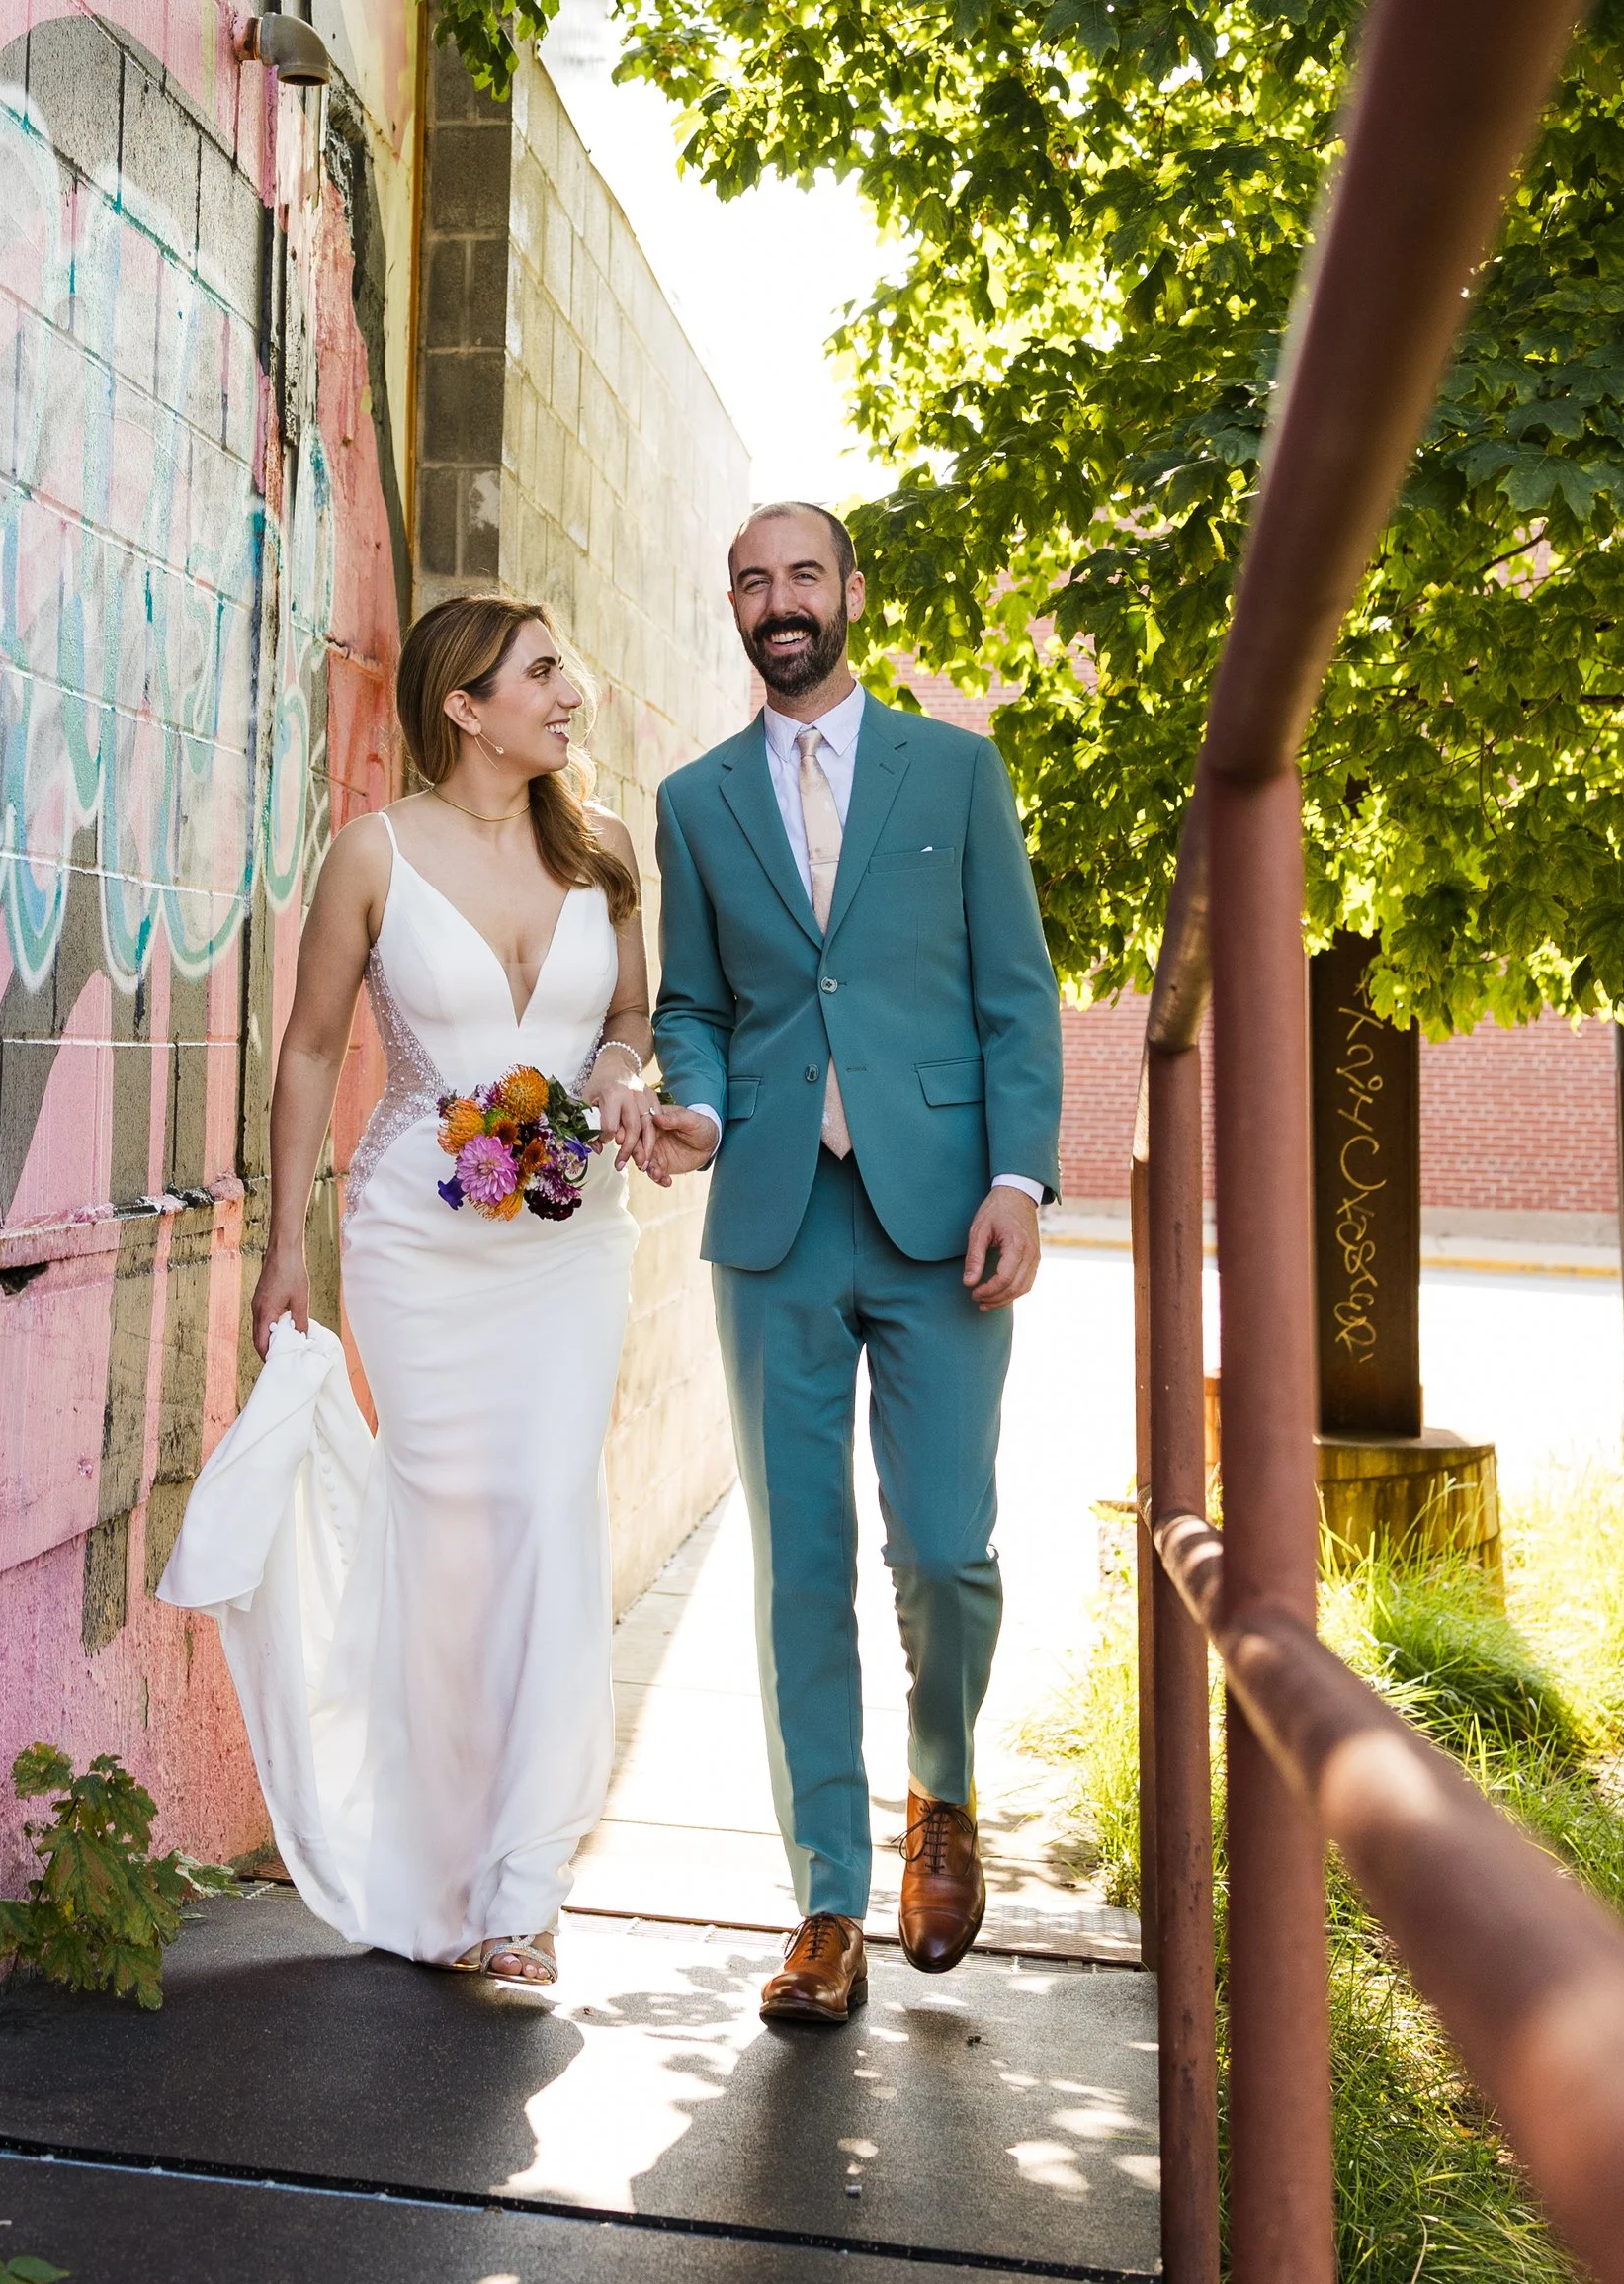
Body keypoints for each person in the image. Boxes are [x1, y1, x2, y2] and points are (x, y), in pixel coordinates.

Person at [159, 597, 657, 1988]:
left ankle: (524, 1883)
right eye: (545, 671)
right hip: (415, 1245)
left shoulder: (607, 851)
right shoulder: (371, 854)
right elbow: (312, 1049)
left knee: (552, 1514)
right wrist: (282, 1243)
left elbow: (628, 1026)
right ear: (466, 703)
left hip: (569, 1239)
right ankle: (438, 1866)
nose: (572, 694)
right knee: (446, 1542)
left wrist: (622, 1084)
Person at [645, 502, 1062, 2025]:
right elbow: (695, 1000)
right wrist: (691, 1101)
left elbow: (1016, 994)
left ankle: (941, 1791)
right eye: (750, 580)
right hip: (772, 1219)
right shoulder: (696, 800)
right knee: (801, 1566)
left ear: (852, 594)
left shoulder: (954, 770)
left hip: (945, 1207)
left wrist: (1019, 1175)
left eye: (801, 575)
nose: (778, 602)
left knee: (944, 1548)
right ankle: (826, 1901)